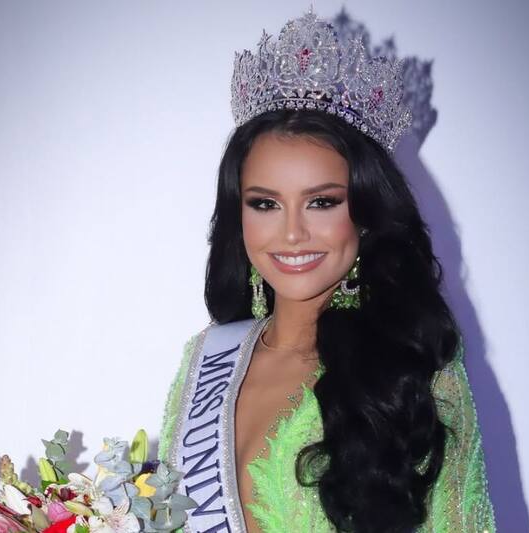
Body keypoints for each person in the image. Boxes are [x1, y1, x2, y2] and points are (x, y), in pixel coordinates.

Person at [157, 8, 496, 533]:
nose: (292, 233)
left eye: (321, 202)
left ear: (365, 213)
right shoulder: (204, 360)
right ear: (238, 215)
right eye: (265, 204)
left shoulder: (416, 377)